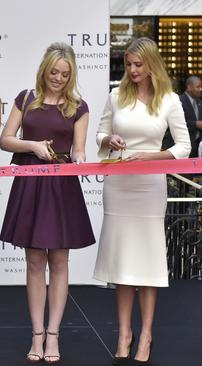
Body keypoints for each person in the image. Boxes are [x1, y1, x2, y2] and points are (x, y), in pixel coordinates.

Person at [93, 37, 190, 366]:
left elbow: (184, 147)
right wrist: (109, 138)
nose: (132, 71)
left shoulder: (170, 100)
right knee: (122, 264)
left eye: (138, 65)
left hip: (149, 187)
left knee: (147, 265)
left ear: (151, 64)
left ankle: (146, 333)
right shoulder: (115, 96)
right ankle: (124, 334)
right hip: (118, 185)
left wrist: (153, 156)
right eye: (129, 65)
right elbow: (99, 134)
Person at [0, 42, 95, 364]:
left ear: (71, 76)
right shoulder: (25, 98)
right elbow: (5, 139)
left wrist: (80, 160)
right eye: (54, 72)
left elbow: (79, 149)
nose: (58, 78)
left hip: (61, 185)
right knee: (34, 262)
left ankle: (53, 334)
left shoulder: (78, 107)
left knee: (60, 262)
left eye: (65, 74)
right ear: (44, 70)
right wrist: (33, 146)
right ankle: (36, 333)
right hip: (30, 180)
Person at [162, 75, 202, 157]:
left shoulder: (200, 102)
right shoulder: (178, 101)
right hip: (179, 148)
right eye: (198, 87)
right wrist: (196, 124)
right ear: (189, 87)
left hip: (196, 147)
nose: (200, 89)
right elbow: (175, 124)